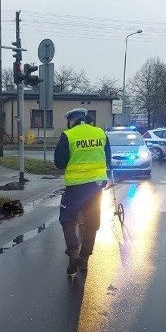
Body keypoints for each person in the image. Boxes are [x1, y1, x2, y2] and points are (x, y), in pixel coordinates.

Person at [54, 108, 112, 275]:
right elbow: (107, 158)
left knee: (67, 219)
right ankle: (85, 258)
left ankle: (73, 253)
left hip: (76, 186)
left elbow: (60, 163)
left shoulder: (69, 135)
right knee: (92, 222)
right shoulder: (100, 133)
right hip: (96, 185)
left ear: (71, 121)